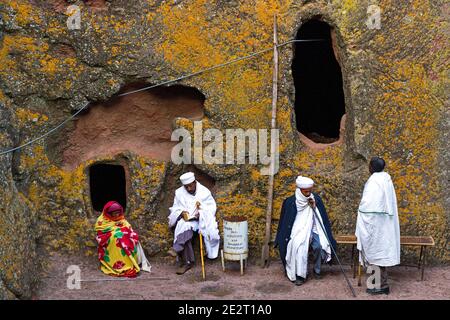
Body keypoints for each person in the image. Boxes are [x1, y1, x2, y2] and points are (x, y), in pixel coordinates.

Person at [275, 176, 336, 285]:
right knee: (299, 247)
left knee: (319, 246)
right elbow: (285, 221)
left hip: (313, 229)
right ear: (299, 190)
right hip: (297, 231)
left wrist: (314, 207)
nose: (308, 193)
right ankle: (300, 275)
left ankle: (317, 270)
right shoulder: (290, 202)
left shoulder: (315, 199)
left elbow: (322, 218)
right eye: (305, 192)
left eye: (309, 191)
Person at [355, 157, 400, 295]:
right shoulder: (386, 179)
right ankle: (382, 285)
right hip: (384, 224)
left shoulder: (374, 181)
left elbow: (368, 206)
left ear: (372, 167)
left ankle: (376, 286)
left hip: (374, 225)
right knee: (380, 255)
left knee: (373, 254)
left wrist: (360, 213)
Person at [168, 172, 220, 275]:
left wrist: (201, 213)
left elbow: (211, 207)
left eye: (190, 186)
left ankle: (177, 249)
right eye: (186, 187)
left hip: (200, 221)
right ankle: (187, 262)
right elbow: (175, 208)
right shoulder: (179, 193)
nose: (188, 189)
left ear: (194, 182)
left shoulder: (204, 192)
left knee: (188, 228)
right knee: (185, 227)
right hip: (186, 220)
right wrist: (181, 213)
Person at [95, 201, 151, 277]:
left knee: (128, 236)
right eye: (114, 213)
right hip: (110, 240)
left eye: (118, 212)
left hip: (122, 238)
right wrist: (116, 230)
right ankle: (119, 266)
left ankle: (130, 263)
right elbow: (101, 232)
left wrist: (123, 230)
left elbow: (128, 227)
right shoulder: (101, 221)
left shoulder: (121, 218)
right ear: (109, 213)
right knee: (117, 236)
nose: (117, 215)